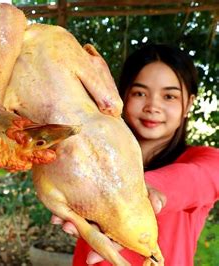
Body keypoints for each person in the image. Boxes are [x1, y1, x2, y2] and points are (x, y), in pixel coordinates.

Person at [53, 44, 219, 265]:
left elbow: (202, 176)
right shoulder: (91, 157)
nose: (152, 106)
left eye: (169, 96)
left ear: (188, 103)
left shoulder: (204, 159)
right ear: (122, 96)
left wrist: (138, 192)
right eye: (140, 93)